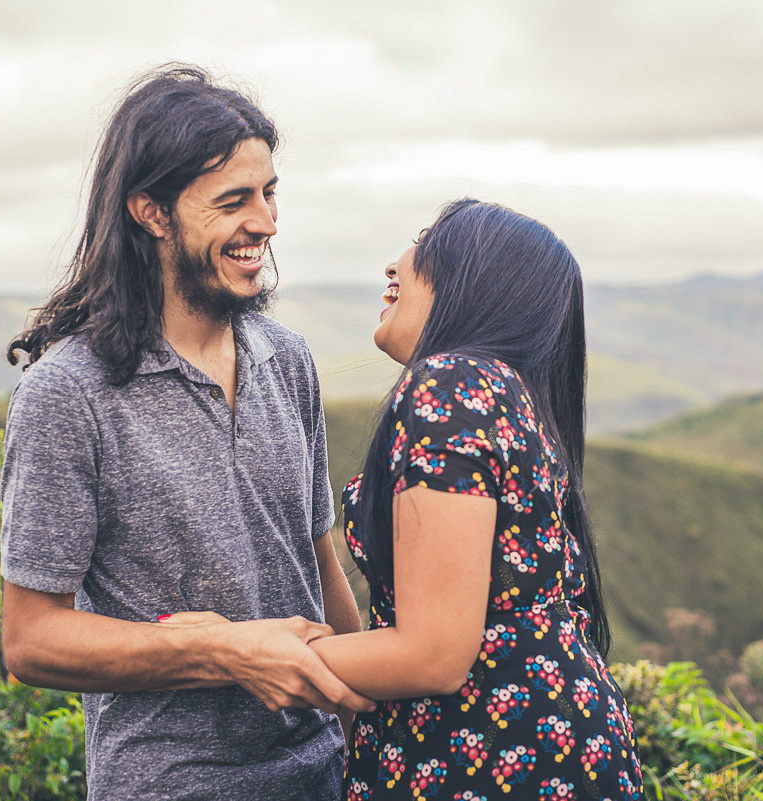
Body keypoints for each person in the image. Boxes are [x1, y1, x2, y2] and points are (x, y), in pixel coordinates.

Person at [167, 198, 645, 798]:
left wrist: (238, 652)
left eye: (426, 238)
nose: (396, 264)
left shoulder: (451, 384)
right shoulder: (512, 394)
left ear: (476, 280)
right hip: (548, 746)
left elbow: (433, 655)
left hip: (489, 758)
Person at [0, 65, 372, 801]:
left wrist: (365, 724)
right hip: (171, 783)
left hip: (323, 773)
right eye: (234, 200)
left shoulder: (287, 358)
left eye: (269, 194)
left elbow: (317, 559)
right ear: (152, 212)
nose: (264, 223)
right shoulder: (68, 394)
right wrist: (221, 649)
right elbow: (31, 638)